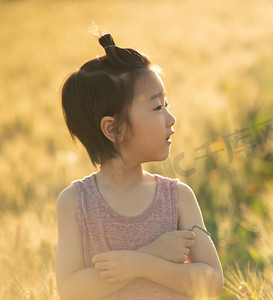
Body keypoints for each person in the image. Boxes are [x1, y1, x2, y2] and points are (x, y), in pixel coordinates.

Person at [55, 31, 223, 300]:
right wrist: (149, 254)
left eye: (166, 104)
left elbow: (212, 281)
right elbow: (71, 290)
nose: (171, 118)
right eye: (157, 108)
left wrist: (144, 266)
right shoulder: (75, 203)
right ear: (114, 128)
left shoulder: (177, 197)